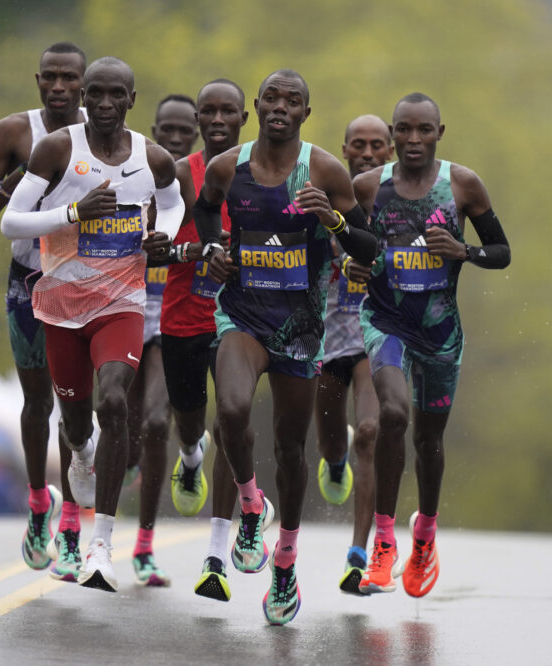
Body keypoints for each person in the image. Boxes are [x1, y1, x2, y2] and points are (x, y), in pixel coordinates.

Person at [193, 69, 377, 624]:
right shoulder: (230, 166)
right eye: (271, 98)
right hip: (242, 312)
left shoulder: (324, 169)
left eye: (291, 101)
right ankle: (252, 506)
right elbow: (204, 209)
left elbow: (367, 244)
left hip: (300, 327)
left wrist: (334, 217)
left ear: (304, 112)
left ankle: (287, 562)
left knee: (293, 450)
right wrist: (210, 249)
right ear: (258, 106)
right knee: (229, 411)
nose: (279, 107)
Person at [0, 56, 184, 593]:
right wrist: (74, 215)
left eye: (115, 95)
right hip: (61, 303)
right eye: (95, 95)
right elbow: (12, 221)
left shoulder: (151, 157)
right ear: (84, 98)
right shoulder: (59, 149)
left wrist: (163, 237)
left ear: (132, 98)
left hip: (122, 301)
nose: (104, 104)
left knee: (113, 401)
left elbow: (170, 205)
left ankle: (101, 545)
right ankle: (79, 455)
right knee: (77, 423)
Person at [353, 93, 510, 598]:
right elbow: (348, 244)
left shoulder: (461, 185)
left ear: (441, 132)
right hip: (385, 322)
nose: (413, 140)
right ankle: (383, 543)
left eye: (424, 130)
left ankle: (424, 535)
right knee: (393, 416)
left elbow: (503, 252)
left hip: (441, 333)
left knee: (429, 443)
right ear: (393, 134)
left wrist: (463, 250)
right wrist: (355, 260)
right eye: (404, 130)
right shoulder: (367, 188)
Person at [0, 42, 88, 582]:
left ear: (85, 85)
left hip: (88, 281)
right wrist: (18, 180)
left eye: (69, 79)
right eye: (50, 78)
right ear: (38, 81)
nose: (58, 87)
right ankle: (40, 503)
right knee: (38, 403)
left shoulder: (105, 132)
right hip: (29, 281)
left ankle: (74, 527)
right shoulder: (13, 133)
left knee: (79, 408)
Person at [160, 79, 249, 601]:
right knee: (190, 419)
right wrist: (194, 253)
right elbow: (148, 250)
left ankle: (216, 553)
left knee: (230, 414)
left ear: (245, 118)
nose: (217, 120)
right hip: (182, 316)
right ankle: (191, 456)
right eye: (208, 111)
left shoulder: (261, 176)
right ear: (198, 119)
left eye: (228, 111)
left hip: (237, 319)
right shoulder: (176, 175)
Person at [122, 93, 200, 588]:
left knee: (155, 420)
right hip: (120, 308)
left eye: (183, 132)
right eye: (165, 130)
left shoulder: (195, 184)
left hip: (167, 314)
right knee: (124, 421)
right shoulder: (128, 171)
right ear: (153, 129)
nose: (173, 139)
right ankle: (125, 461)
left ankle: (145, 546)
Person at [313, 115, 393, 595]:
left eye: (377, 145)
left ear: (390, 151)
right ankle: (333, 460)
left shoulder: (398, 204)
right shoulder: (324, 198)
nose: (367, 153)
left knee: (369, 432)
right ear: (343, 150)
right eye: (358, 145)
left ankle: (358, 552)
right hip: (322, 338)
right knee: (332, 443)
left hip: (372, 335)